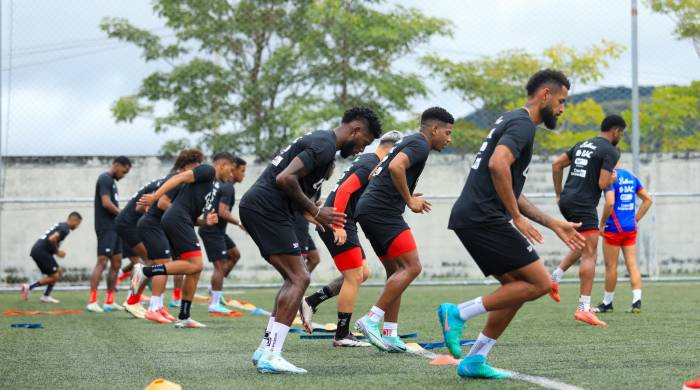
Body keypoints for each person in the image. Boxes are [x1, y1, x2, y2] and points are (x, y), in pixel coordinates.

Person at [437, 69, 586, 379]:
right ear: (545, 95)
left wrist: (553, 223)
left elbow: (511, 190)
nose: (561, 108)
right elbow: (497, 164)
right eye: (561, 101)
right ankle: (458, 313)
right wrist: (515, 219)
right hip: (483, 217)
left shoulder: (511, 120)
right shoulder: (522, 125)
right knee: (540, 284)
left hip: (474, 216)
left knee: (517, 289)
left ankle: (475, 360)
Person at [241, 107, 381, 374]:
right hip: (266, 209)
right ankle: (272, 353)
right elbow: (284, 178)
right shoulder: (323, 144)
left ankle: (265, 350)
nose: (360, 150)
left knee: (294, 278)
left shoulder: (324, 149)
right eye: (364, 143)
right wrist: (317, 211)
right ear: (356, 130)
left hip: (266, 209)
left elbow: (298, 191)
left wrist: (318, 216)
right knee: (299, 278)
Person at [354, 107, 453, 354]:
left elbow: (378, 172)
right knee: (412, 267)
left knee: (396, 271)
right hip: (381, 212)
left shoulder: (409, 142)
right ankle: (370, 320)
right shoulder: (419, 144)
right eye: (448, 133)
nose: (449, 139)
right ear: (434, 129)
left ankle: (389, 334)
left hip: (369, 209)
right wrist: (408, 199)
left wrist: (402, 193)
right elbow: (396, 167)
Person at [300, 130, 402, 347]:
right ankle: (342, 334)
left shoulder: (369, 161)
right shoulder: (370, 162)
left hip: (344, 220)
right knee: (354, 275)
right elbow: (345, 191)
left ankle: (311, 301)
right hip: (338, 220)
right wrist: (337, 225)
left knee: (363, 272)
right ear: (393, 148)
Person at [132, 152, 237, 328]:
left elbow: (191, 216)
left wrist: (205, 221)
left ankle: (184, 316)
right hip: (176, 219)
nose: (232, 175)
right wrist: (154, 196)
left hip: (180, 220)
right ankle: (146, 272)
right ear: (223, 165)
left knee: (193, 270)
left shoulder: (211, 186)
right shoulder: (208, 171)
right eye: (231, 170)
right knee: (196, 264)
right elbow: (180, 177)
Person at [550, 115, 625, 326]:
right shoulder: (611, 150)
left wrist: (558, 194)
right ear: (616, 131)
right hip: (583, 204)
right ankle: (583, 308)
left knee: (583, 244)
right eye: (621, 133)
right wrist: (612, 178)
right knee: (590, 254)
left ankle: (554, 278)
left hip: (567, 201)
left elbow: (557, 165)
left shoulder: (583, 144)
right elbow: (603, 183)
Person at [117, 148, 204, 318]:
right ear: (189, 165)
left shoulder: (174, 179)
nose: (197, 170)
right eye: (196, 166)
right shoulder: (175, 179)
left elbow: (146, 205)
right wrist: (176, 215)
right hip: (150, 225)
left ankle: (135, 301)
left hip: (151, 224)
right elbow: (151, 205)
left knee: (152, 263)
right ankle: (153, 307)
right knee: (161, 263)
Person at [593, 162, 653, 314]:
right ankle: (636, 302)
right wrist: (636, 219)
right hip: (630, 228)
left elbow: (610, 203)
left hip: (613, 228)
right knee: (632, 265)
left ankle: (607, 303)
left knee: (611, 267)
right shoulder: (631, 176)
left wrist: (601, 224)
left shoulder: (610, 178)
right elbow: (648, 199)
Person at [199, 156, 247, 313]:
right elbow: (223, 212)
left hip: (217, 230)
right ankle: (214, 303)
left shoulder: (222, 185)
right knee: (220, 266)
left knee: (235, 254)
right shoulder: (227, 187)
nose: (244, 174)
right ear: (232, 170)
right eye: (242, 170)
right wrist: (240, 224)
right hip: (211, 230)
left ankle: (214, 288)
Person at [87, 156, 131, 313]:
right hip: (106, 227)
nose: (123, 175)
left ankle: (109, 301)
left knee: (117, 262)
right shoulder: (104, 178)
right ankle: (92, 300)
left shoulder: (112, 182)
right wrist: (123, 214)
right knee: (102, 261)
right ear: (117, 165)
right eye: (123, 171)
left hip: (116, 227)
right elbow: (106, 203)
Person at [21, 212, 83, 303]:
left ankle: (45, 296)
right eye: (78, 224)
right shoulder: (65, 228)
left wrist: (55, 251)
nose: (77, 227)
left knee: (58, 272)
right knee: (55, 275)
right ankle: (29, 288)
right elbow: (52, 238)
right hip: (41, 252)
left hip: (39, 251)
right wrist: (57, 251)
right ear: (74, 220)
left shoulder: (61, 225)